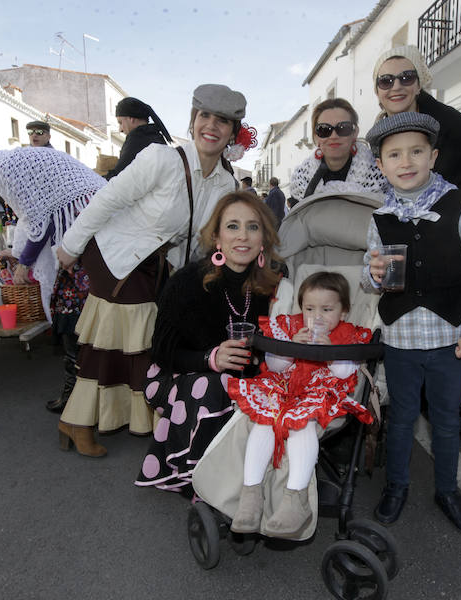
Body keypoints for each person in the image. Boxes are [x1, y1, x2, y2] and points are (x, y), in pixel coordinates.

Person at [55, 83, 246, 458]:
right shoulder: (161, 158)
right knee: (114, 340)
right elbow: (107, 199)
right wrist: (70, 246)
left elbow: (204, 237)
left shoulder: (226, 180)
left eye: (222, 120)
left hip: (155, 266)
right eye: (204, 116)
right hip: (116, 255)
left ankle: (121, 418)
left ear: (232, 131)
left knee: (137, 342)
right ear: (193, 121)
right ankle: (77, 421)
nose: (212, 126)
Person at [362, 112, 461, 533]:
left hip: (449, 339)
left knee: (445, 419)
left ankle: (447, 490)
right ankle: (397, 486)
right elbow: (370, 272)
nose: (406, 161)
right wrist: (374, 273)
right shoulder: (379, 217)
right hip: (400, 338)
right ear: (381, 166)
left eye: (416, 151)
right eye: (395, 155)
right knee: (400, 416)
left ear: (433, 156)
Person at [0, 137, 107, 414]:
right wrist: (20, 255)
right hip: (89, 226)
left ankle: (79, 400)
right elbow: (35, 219)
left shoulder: (5, 168)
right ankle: (83, 396)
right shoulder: (13, 161)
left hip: (88, 230)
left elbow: (39, 222)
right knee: (82, 316)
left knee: (74, 314)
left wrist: (24, 263)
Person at [135, 191, 281, 494]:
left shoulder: (271, 286)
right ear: (216, 238)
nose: (243, 236)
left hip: (243, 376)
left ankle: (253, 478)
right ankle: (203, 480)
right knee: (213, 385)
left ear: (264, 238)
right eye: (232, 226)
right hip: (178, 373)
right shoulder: (187, 282)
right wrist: (210, 359)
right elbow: (163, 351)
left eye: (253, 227)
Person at [227, 271, 373, 538]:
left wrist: (331, 351)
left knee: (301, 424)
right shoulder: (291, 328)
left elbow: (344, 374)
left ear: (343, 311)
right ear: (301, 308)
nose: (317, 317)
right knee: (265, 422)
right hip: (285, 390)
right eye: (309, 308)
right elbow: (274, 366)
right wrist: (291, 346)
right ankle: (251, 495)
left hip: (321, 393)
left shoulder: (346, 334)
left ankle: (295, 499)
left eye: (327, 309)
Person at [373, 45, 461, 216]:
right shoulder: (380, 130)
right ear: (377, 91)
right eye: (386, 80)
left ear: (419, 85)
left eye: (407, 78)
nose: (396, 86)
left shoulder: (450, 125)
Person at [290, 98, 387, 201]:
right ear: (316, 136)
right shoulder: (301, 180)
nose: (333, 136)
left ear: (355, 132)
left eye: (343, 128)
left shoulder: (380, 173)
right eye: (324, 130)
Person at [105, 97, 172, 179]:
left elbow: (119, 176)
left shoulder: (137, 138)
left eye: (120, 122)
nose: (120, 129)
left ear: (131, 119)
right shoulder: (156, 137)